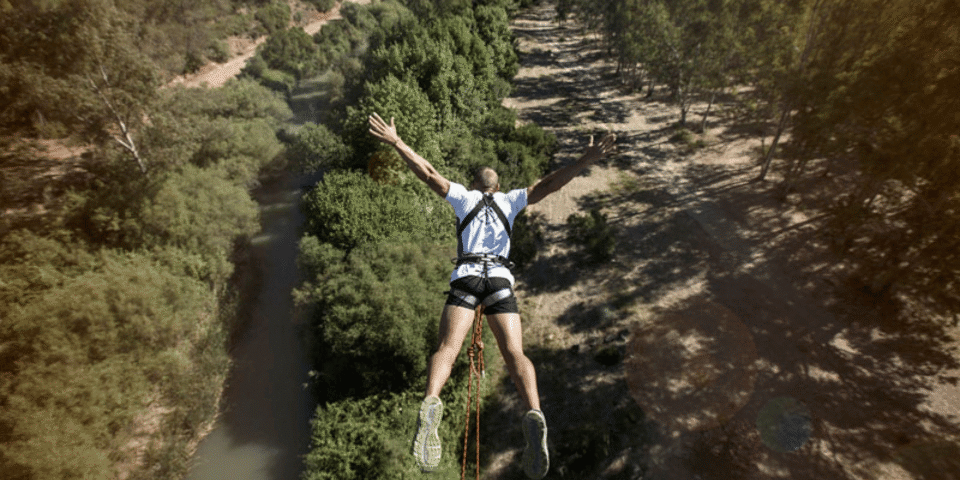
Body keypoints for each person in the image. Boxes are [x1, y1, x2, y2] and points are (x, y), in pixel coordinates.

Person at [368, 113, 616, 479]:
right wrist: (582, 161)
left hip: (466, 279)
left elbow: (428, 173)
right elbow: (549, 185)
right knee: (515, 353)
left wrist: (397, 142)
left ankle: (431, 401)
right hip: (499, 280)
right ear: (497, 188)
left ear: (473, 184)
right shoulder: (512, 200)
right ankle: (533, 410)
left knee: (448, 350)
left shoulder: (464, 198)